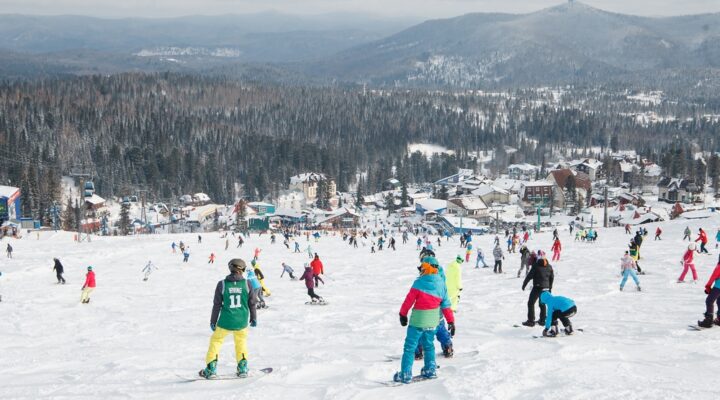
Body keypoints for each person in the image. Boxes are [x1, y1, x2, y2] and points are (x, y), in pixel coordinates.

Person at [393, 257, 455, 384]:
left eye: (422, 267)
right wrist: (451, 321)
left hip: (417, 322)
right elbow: (446, 305)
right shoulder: (442, 284)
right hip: (433, 323)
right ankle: (430, 369)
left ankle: (406, 374)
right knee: (429, 345)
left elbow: (408, 301)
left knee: (410, 347)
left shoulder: (418, 283)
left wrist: (402, 314)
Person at [199, 258, 257, 379]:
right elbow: (252, 302)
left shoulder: (222, 284)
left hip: (225, 321)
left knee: (216, 341)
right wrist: (254, 317)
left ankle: (211, 368)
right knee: (241, 342)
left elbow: (217, 304)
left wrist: (213, 321)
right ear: (242, 270)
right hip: (241, 321)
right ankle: (242, 367)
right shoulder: (247, 284)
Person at [521, 251, 554, 326]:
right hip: (546, 287)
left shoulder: (536, 265)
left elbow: (529, 276)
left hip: (537, 287)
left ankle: (531, 321)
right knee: (542, 303)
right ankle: (542, 320)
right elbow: (552, 277)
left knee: (531, 303)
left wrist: (524, 284)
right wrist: (549, 287)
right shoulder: (549, 266)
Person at [698, 257, 720, 328]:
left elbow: (713, 276)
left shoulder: (719, 266)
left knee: (709, 301)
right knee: (719, 301)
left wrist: (708, 286)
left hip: (718, 286)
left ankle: (708, 321)